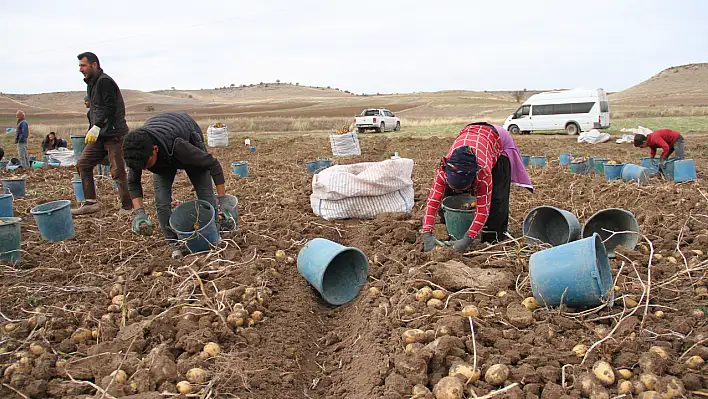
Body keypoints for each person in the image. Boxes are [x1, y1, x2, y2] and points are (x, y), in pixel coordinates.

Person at [122, 112, 235, 258]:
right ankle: (174, 245)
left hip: (186, 135)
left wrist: (223, 199)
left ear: (155, 149)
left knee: (205, 194)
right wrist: (139, 213)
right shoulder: (136, 152)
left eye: (147, 164)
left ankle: (214, 236)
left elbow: (213, 164)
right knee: (162, 203)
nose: (144, 169)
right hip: (163, 153)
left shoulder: (181, 147)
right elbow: (133, 182)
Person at [421, 122, 533, 253]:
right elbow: (433, 202)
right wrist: (427, 234)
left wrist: (467, 240)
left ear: (475, 176)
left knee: (497, 200)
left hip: (497, 140)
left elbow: (482, 210)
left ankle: (492, 240)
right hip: (471, 133)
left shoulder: (483, 173)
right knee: (449, 195)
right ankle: (453, 231)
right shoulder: (443, 170)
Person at [72, 52, 132, 215]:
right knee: (83, 163)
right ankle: (91, 203)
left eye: (83, 65)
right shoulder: (91, 83)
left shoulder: (105, 81)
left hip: (113, 134)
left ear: (94, 65)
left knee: (117, 171)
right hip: (99, 135)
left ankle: (128, 206)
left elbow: (111, 107)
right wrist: (92, 127)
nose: (80, 69)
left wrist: (98, 125)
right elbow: (96, 109)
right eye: (79, 66)